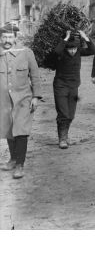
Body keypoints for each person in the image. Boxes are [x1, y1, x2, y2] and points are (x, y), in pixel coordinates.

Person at [0, 24, 41, 179]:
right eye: (4, 37)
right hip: (3, 100)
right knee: (9, 130)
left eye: (10, 37)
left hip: (23, 99)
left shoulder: (26, 53)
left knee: (20, 131)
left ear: (16, 38)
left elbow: (35, 75)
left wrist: (36, 96)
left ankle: (19, 165)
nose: (7, 41)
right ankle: (13, 159)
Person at [53, 29, 95, 149]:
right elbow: (56, 51)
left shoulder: (79, 52)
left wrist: (85, 36)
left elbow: (93, 50)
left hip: (74, 86)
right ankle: (62, 138)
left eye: (74, 48)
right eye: (69, 48)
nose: (72, 51)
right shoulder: (61, 52)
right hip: (60, 86)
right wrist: (66, 38)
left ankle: (64, 136)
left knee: (71, 115)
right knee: (63, 113)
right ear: (66, 47)